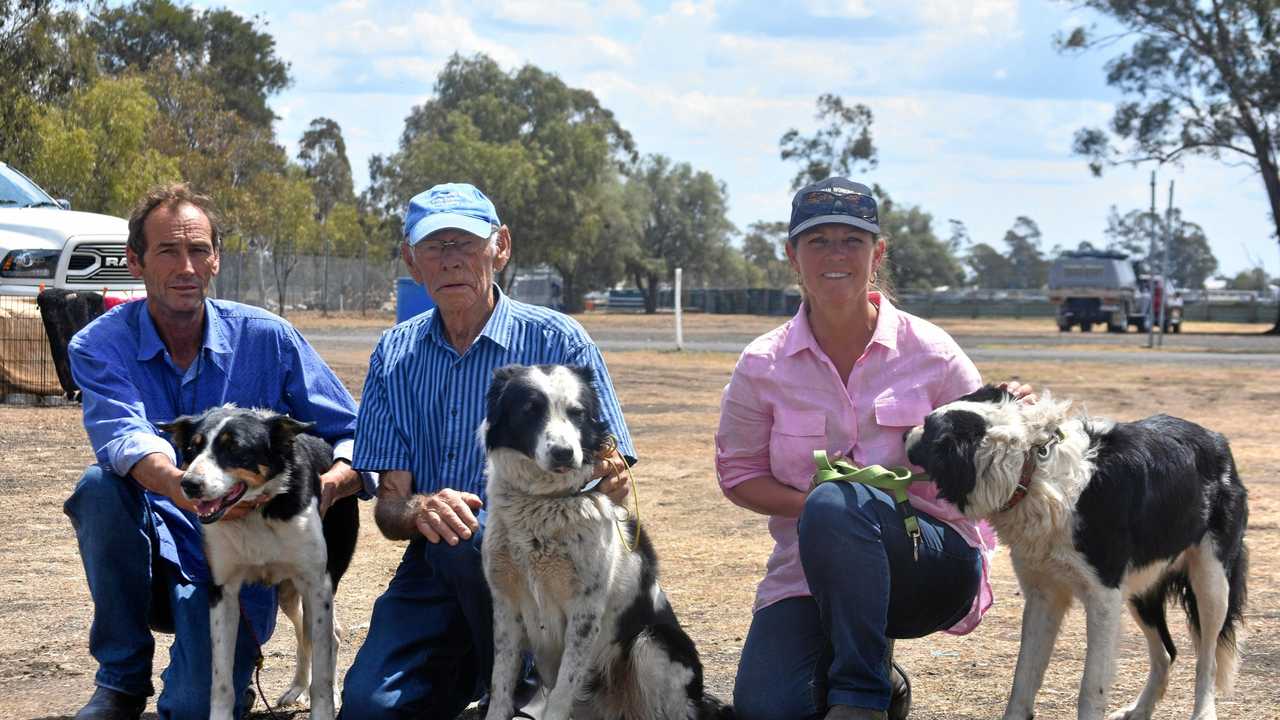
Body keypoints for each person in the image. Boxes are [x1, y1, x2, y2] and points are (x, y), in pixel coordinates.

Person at [715, 177, 1032, 720]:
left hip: (930, 563)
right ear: (792, 255)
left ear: (876, 253)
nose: (835, 255)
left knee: (840, 506)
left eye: (852, 241)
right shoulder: (761, 365)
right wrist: (819, 508)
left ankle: (860, 700)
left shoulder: (933, 353)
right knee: (769, 711)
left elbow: (986, 457)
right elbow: (739, 475)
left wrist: (1010, 416)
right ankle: (884, 684)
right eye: (818, 242)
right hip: (808, 573)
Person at [63, 184, 366, 720]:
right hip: (153, 550)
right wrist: (185, 488)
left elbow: (353, 431)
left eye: (199, 250)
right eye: (167, 251)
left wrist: (331, 484)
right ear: (135, 261)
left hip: (243, 555)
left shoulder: (269, 338)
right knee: (98, 489)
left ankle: (215, 672)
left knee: (194, 708)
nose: (186, 266)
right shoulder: (97, 345)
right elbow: (125, 439)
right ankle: (121, 681)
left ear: (216, 260)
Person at [339, 182, 636, 719]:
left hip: (553, 565)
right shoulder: (394, 355)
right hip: (436, 565)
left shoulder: (559, 342)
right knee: (367, 708)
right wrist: (418, 508)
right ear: (412, 260)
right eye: (435, 246)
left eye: (465, 244)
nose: (450, 260)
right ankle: (478, 681)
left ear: (500, 247)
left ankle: (531, 687)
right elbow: (389, 508)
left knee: (478, 536)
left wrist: (602, 480)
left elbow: (613, 472)